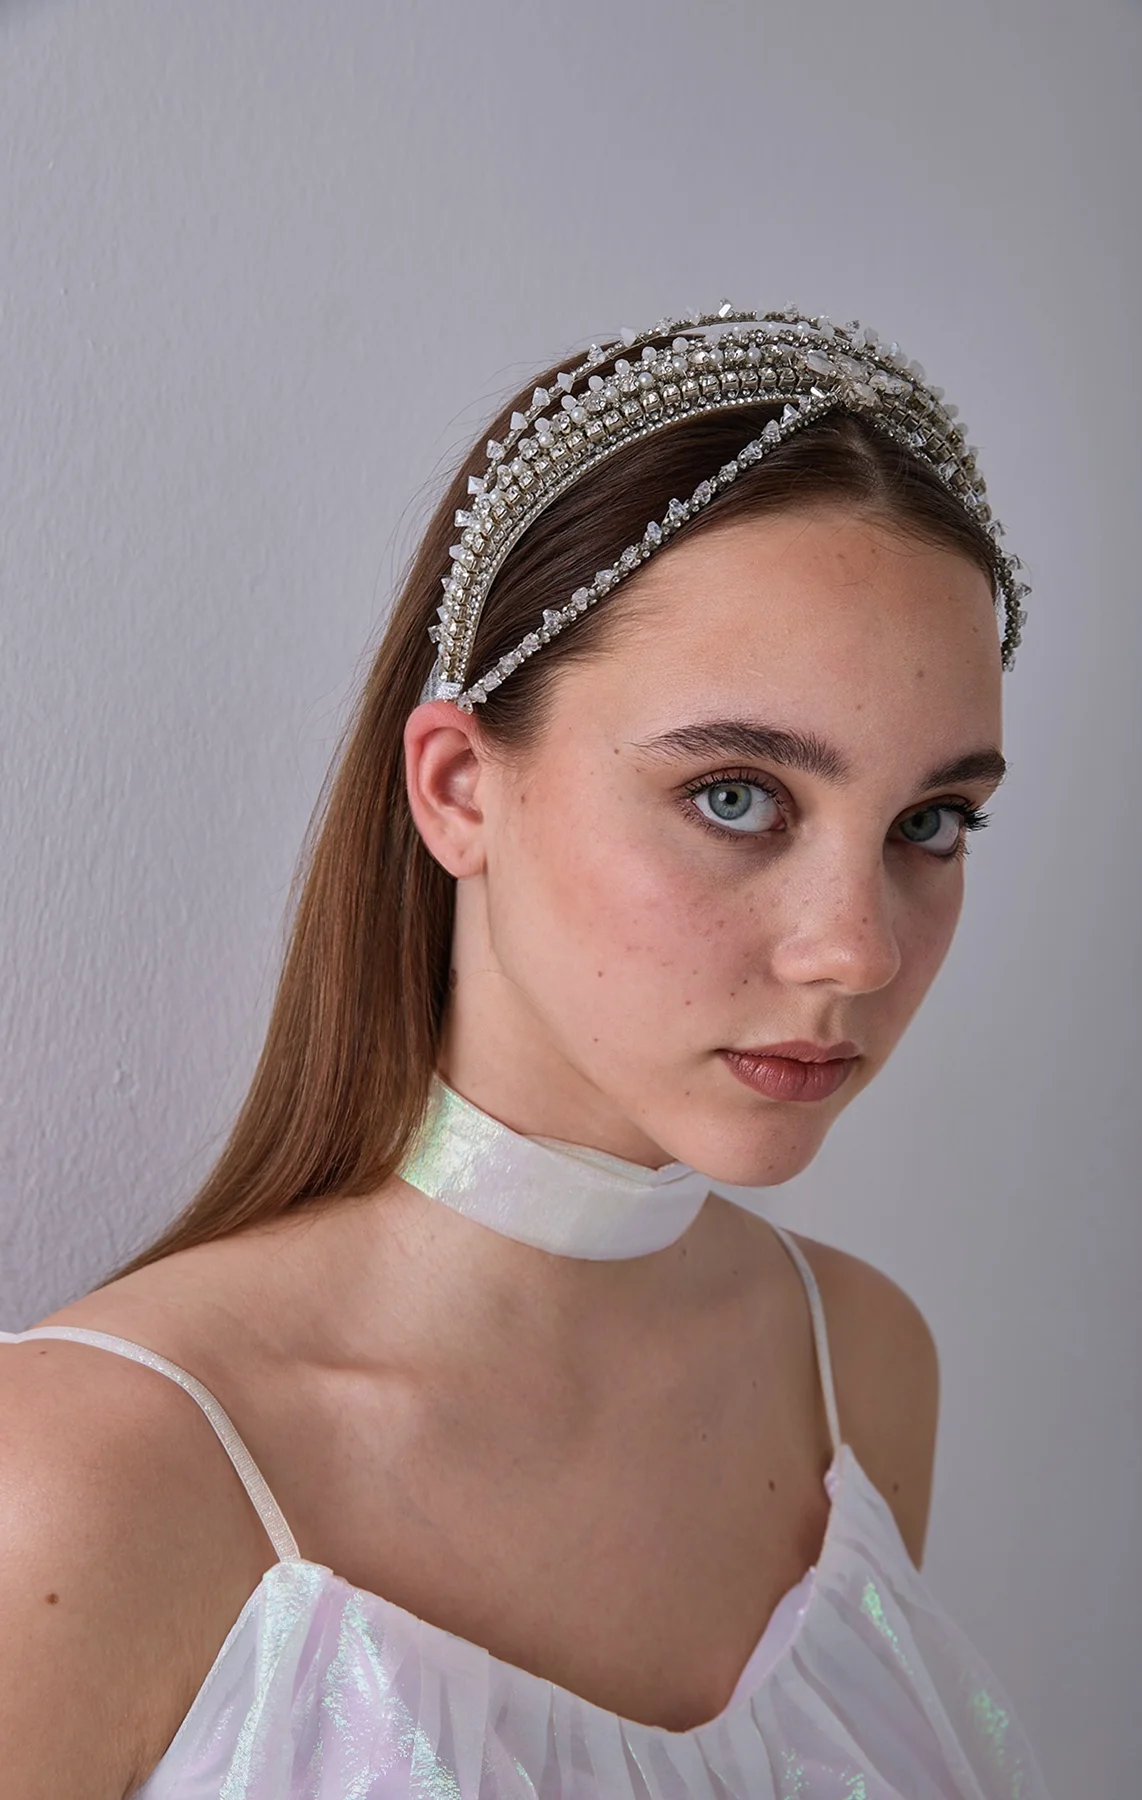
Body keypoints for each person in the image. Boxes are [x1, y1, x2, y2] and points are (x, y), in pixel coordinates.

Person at [0, 306, 1050, 1798]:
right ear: (457, 788)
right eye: (737, 797)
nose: (857, 950)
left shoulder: (861, 1377)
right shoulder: (84, 1482)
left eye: (929, 823)